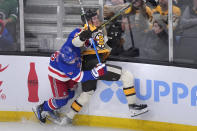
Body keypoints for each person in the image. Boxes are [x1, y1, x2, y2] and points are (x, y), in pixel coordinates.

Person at [59, 9, 148, 125]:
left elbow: (105, 45)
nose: (98, 20)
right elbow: (75, 42)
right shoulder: (83, 30)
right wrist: (82, 37)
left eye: (97, 17)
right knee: (127, 75)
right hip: (92, 64)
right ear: (89, 21)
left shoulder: (99, 30)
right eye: (94, 18)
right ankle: (132, 106)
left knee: (87, 94)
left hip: (89, 65)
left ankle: (67, 118)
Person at [32, 23, 107, 123]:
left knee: (71, 94)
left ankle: (52, 107)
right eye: (71, 61)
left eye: (74, 58)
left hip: (67, 76)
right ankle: (42, 108)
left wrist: (85, 38)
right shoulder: (66, 64)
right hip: (58, 78)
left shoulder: (70, 45)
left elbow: (76, 36)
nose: (74, 61)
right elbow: (79, 77)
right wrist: (95, 73)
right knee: (61, 100)